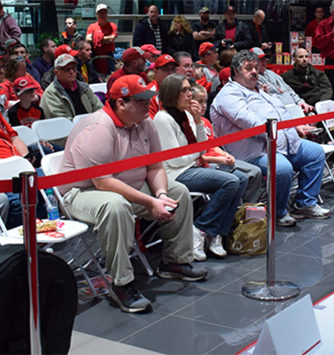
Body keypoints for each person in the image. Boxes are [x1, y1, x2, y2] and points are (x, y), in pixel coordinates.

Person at [59, 74, 207, 313]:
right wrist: (149, 202)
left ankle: (175, 261)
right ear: (121, 103)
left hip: (130, 186)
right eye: (140, 100)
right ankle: (121, 283)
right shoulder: (99, 128)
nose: (147, 104)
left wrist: (159, 195)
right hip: (83, 192)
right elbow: (103, 181)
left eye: (147, 98)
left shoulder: (145, 122)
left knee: (177, 191)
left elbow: (156, 166)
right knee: (115, 206)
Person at [211, 50, 330, 226]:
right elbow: (251, 123)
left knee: (316, 153)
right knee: (282, 169)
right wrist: (278, 133)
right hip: (254, 152)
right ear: (235, 71)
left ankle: (305, 203)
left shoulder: (260, 90)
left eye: (255, 68)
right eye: (248, 68)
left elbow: (282, 112)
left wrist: (294, 127)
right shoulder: (229, 94)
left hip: (282, 143)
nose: (254, 72)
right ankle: (279, 212)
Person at [153, 74, 246, 260]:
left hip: (193, 166)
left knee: (241, 178)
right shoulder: (162, 118)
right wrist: (196, 154)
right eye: (184, 90)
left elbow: (201, 146)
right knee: (230, 182)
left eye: (189, 89)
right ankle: (201, 228)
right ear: (172, 94)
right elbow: (175, 160)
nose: (189, 94)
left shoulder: (187, 115)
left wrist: (197, 121)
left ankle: (215, 232)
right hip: (177, 173)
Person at [40, 54, 101, 120]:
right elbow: (61, 120)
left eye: (73, 68)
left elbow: (99, 108)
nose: (71, 72)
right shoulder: (51, 93)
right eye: (67, 69)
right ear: (57, 72)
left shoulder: (84, 88)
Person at [252, 48, 313, 113]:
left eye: (264, 59)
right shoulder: (253, 79)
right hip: (280, 112)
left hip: (295, 108)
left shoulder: (272, 73)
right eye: (260, 60)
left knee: (314, 117)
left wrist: (300, 102)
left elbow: (289, 90)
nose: (263, 62)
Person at [86, 4, 118, 77]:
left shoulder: (112, 25)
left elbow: (112, 38)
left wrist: (97, 39)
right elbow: (88, 39)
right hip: (95, 55)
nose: (103, 14)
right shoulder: (92, 26)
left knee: (110, 75)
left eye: (104, 12)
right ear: (97, 14)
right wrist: (105, 40)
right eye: (100, 12)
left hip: (108, 55)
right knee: (95, 76)